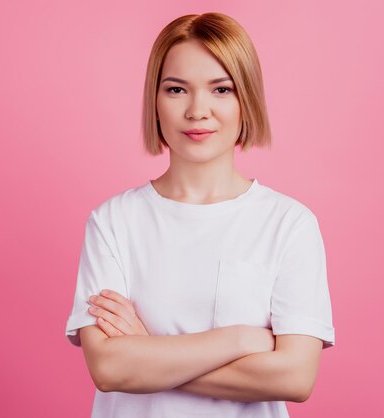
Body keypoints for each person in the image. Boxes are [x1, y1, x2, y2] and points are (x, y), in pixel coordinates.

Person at [65, 12, 335, 418]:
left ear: (247, 99)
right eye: (176, 89)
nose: (197, 110)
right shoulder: (113, 222)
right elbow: (109, 368)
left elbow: (295, 377)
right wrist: (242, 339)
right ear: (154, 101)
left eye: (221, 89)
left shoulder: (289, 224)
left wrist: (148, 354)